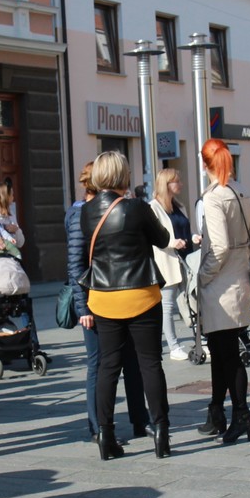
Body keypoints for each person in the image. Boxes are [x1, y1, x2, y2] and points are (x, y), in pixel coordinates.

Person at [81, 151, 172, 460]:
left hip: (103, 298)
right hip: (141, 295)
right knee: (150, 363)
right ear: (124, 174)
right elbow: (162, 239)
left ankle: (105, 435)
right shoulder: (137, 207)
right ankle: (161, 433)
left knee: (108, 365)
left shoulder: (86, 211)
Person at [66, 162, 150, 448]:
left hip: (117, 295)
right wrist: (83, 308)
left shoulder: (111, 208)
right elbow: (76, 263)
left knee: (131, 361)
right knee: (99, 364)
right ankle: (98, 427)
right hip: (95, 300)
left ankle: (140, 420)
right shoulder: (82, 213)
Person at [197, 140, 250, 444]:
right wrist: (245, 259)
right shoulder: (242, 191)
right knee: (225, 352)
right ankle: (219, 412)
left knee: (227, 355)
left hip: (220, 284)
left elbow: (220, 246)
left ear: (204, 164)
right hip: (238, 279)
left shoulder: (214, 198)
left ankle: (241, 415)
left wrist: (203, 275)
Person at [149, 169, 194, 361]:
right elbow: (152, 236)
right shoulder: (153, 208)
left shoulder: (178, 205)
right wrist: (171, 243)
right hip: (167, 262)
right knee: (167, 306)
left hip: (186, 260)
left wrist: (193, 238)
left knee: (191, 301)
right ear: (166, 184)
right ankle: (173, 346)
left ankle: (200, 341)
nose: (181, 184)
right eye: (176, 181)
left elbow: (183, 229)